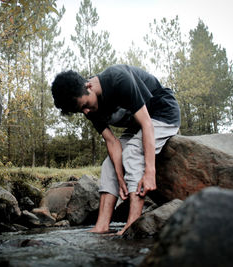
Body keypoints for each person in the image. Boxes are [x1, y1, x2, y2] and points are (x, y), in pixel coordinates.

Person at [51, 64, 180, 235]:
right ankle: (102, 225)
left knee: (132, 152)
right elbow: (112, 142)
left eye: (85, 105)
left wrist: (150, 171)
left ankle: (132, 226)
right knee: (108, 165)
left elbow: (147, 123)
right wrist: (120, 179)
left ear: (88, 86)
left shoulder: (118, 79)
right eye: (81, 110)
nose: (87, 111)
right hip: (137, 125)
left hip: (162, 114)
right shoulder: (86, 105)